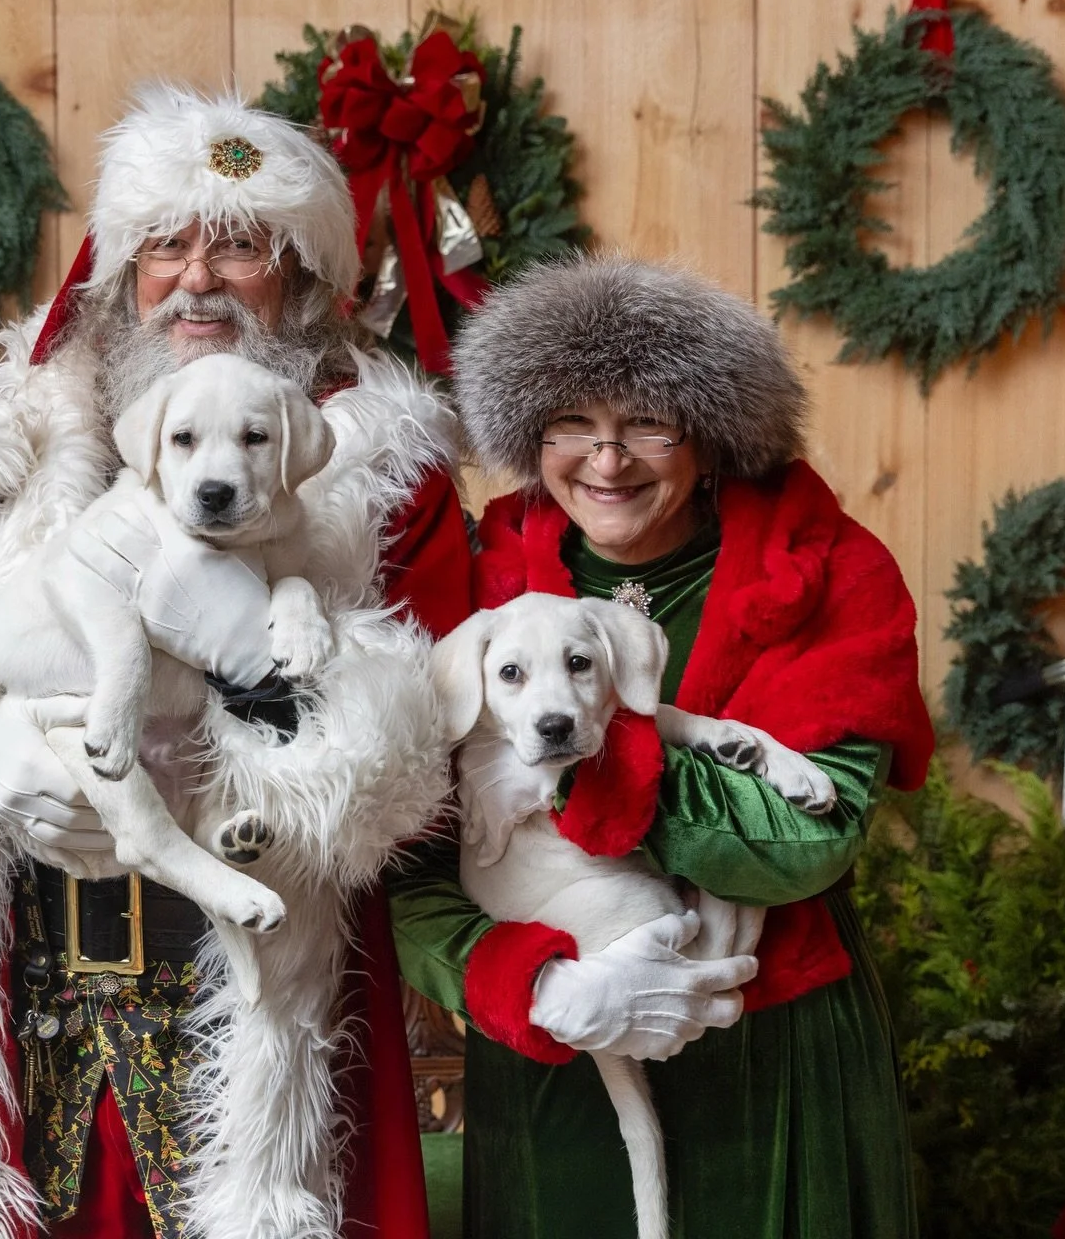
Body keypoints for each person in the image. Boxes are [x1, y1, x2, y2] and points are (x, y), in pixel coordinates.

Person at [0, 85, 471, 1239]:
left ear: (299, 279)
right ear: (120, 272)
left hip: (250, 991)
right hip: (15, 995)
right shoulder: (10, 445)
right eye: (164, 244)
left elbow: (441, 742)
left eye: (240, 246)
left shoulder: (382, 476)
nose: (196, 277)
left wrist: (259, 665)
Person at [389, 254, 935, 1239]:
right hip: (562, 1056)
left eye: (648, 422)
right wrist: (541, 987)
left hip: (769, 1062)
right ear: (530, 436)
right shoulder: (476, 580)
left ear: (713, 432)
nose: (608, 461)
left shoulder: (829, 570)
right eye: (571, 425)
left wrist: (571, 768)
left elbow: (806, 842)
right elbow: (404, 858)